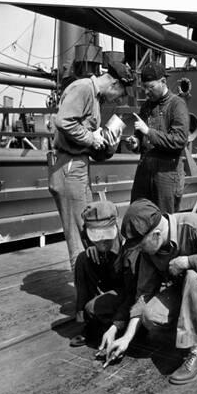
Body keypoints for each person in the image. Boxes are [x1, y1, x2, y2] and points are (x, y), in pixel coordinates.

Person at [105, 198, 197, 385]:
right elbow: (144, 295)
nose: (139, 250)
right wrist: (126, 338)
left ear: (156, 234)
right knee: (150, 315)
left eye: (140, 245)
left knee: (193, 277)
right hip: (187, 292)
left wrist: (188, 262)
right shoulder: (150, 251)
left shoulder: (194, 225)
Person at [49, 62, 136, 270]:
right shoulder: (84, 88)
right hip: (68, 165)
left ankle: (88, 283)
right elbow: (64, 121)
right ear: (115, 84)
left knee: (88, 226)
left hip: (78, 165)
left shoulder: (94, 96)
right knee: (78, 234)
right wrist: (91, 139)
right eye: (121, 94)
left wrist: (106, 142)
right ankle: (83, 292)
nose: (118, 99)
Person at [69, 201, 136, 350]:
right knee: (82, 260)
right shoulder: (91, 241)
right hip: (107, 285)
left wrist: (117, 323)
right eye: (96, 235)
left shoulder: (128, 248)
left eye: (106, 234)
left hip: (127, 292)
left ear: (115, 227)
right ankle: (87, 324)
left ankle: (118, 326)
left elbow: (133, 293)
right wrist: (91, 247)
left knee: (92, 308)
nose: (102, 241)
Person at [127, 62, 189, 213]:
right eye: (144, 88)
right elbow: (141, 137)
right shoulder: (146, 106)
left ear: (163, 82)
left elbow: (179, 140)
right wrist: (135, 143)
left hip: (167, 173)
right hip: (145, 170)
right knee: (137, 213)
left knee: (165, 221)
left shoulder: (177, 105)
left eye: (151, 87)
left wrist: (148, 132)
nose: (147, 92)